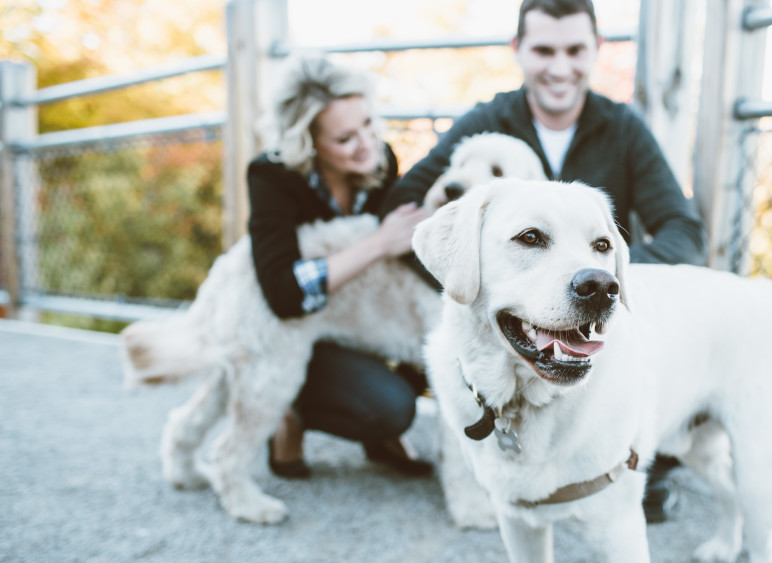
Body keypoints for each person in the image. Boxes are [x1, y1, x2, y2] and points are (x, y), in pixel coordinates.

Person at [383, 0, 708, 522]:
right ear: (518, 51)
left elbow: (684, 231)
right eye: (544, 50)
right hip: (505, 319)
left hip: (595, 323)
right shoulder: (488, 121)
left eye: (575, 49)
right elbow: (398, 210)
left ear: (596, 51)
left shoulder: (623, 129)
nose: (560, 67)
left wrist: (603, 280)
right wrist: (474, 280)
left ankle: (629, 458)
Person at [249, 53, 432, 480]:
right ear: (310, 143)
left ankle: (376, 426)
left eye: (368, 124)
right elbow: (282, 295)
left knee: (436, 330)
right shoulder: (270, 176)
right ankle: (289, 411)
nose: (367, 144)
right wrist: (377, 243)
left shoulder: (381, 160)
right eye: (345, 139)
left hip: (362, 319)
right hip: (299, 331)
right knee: (391, 408)